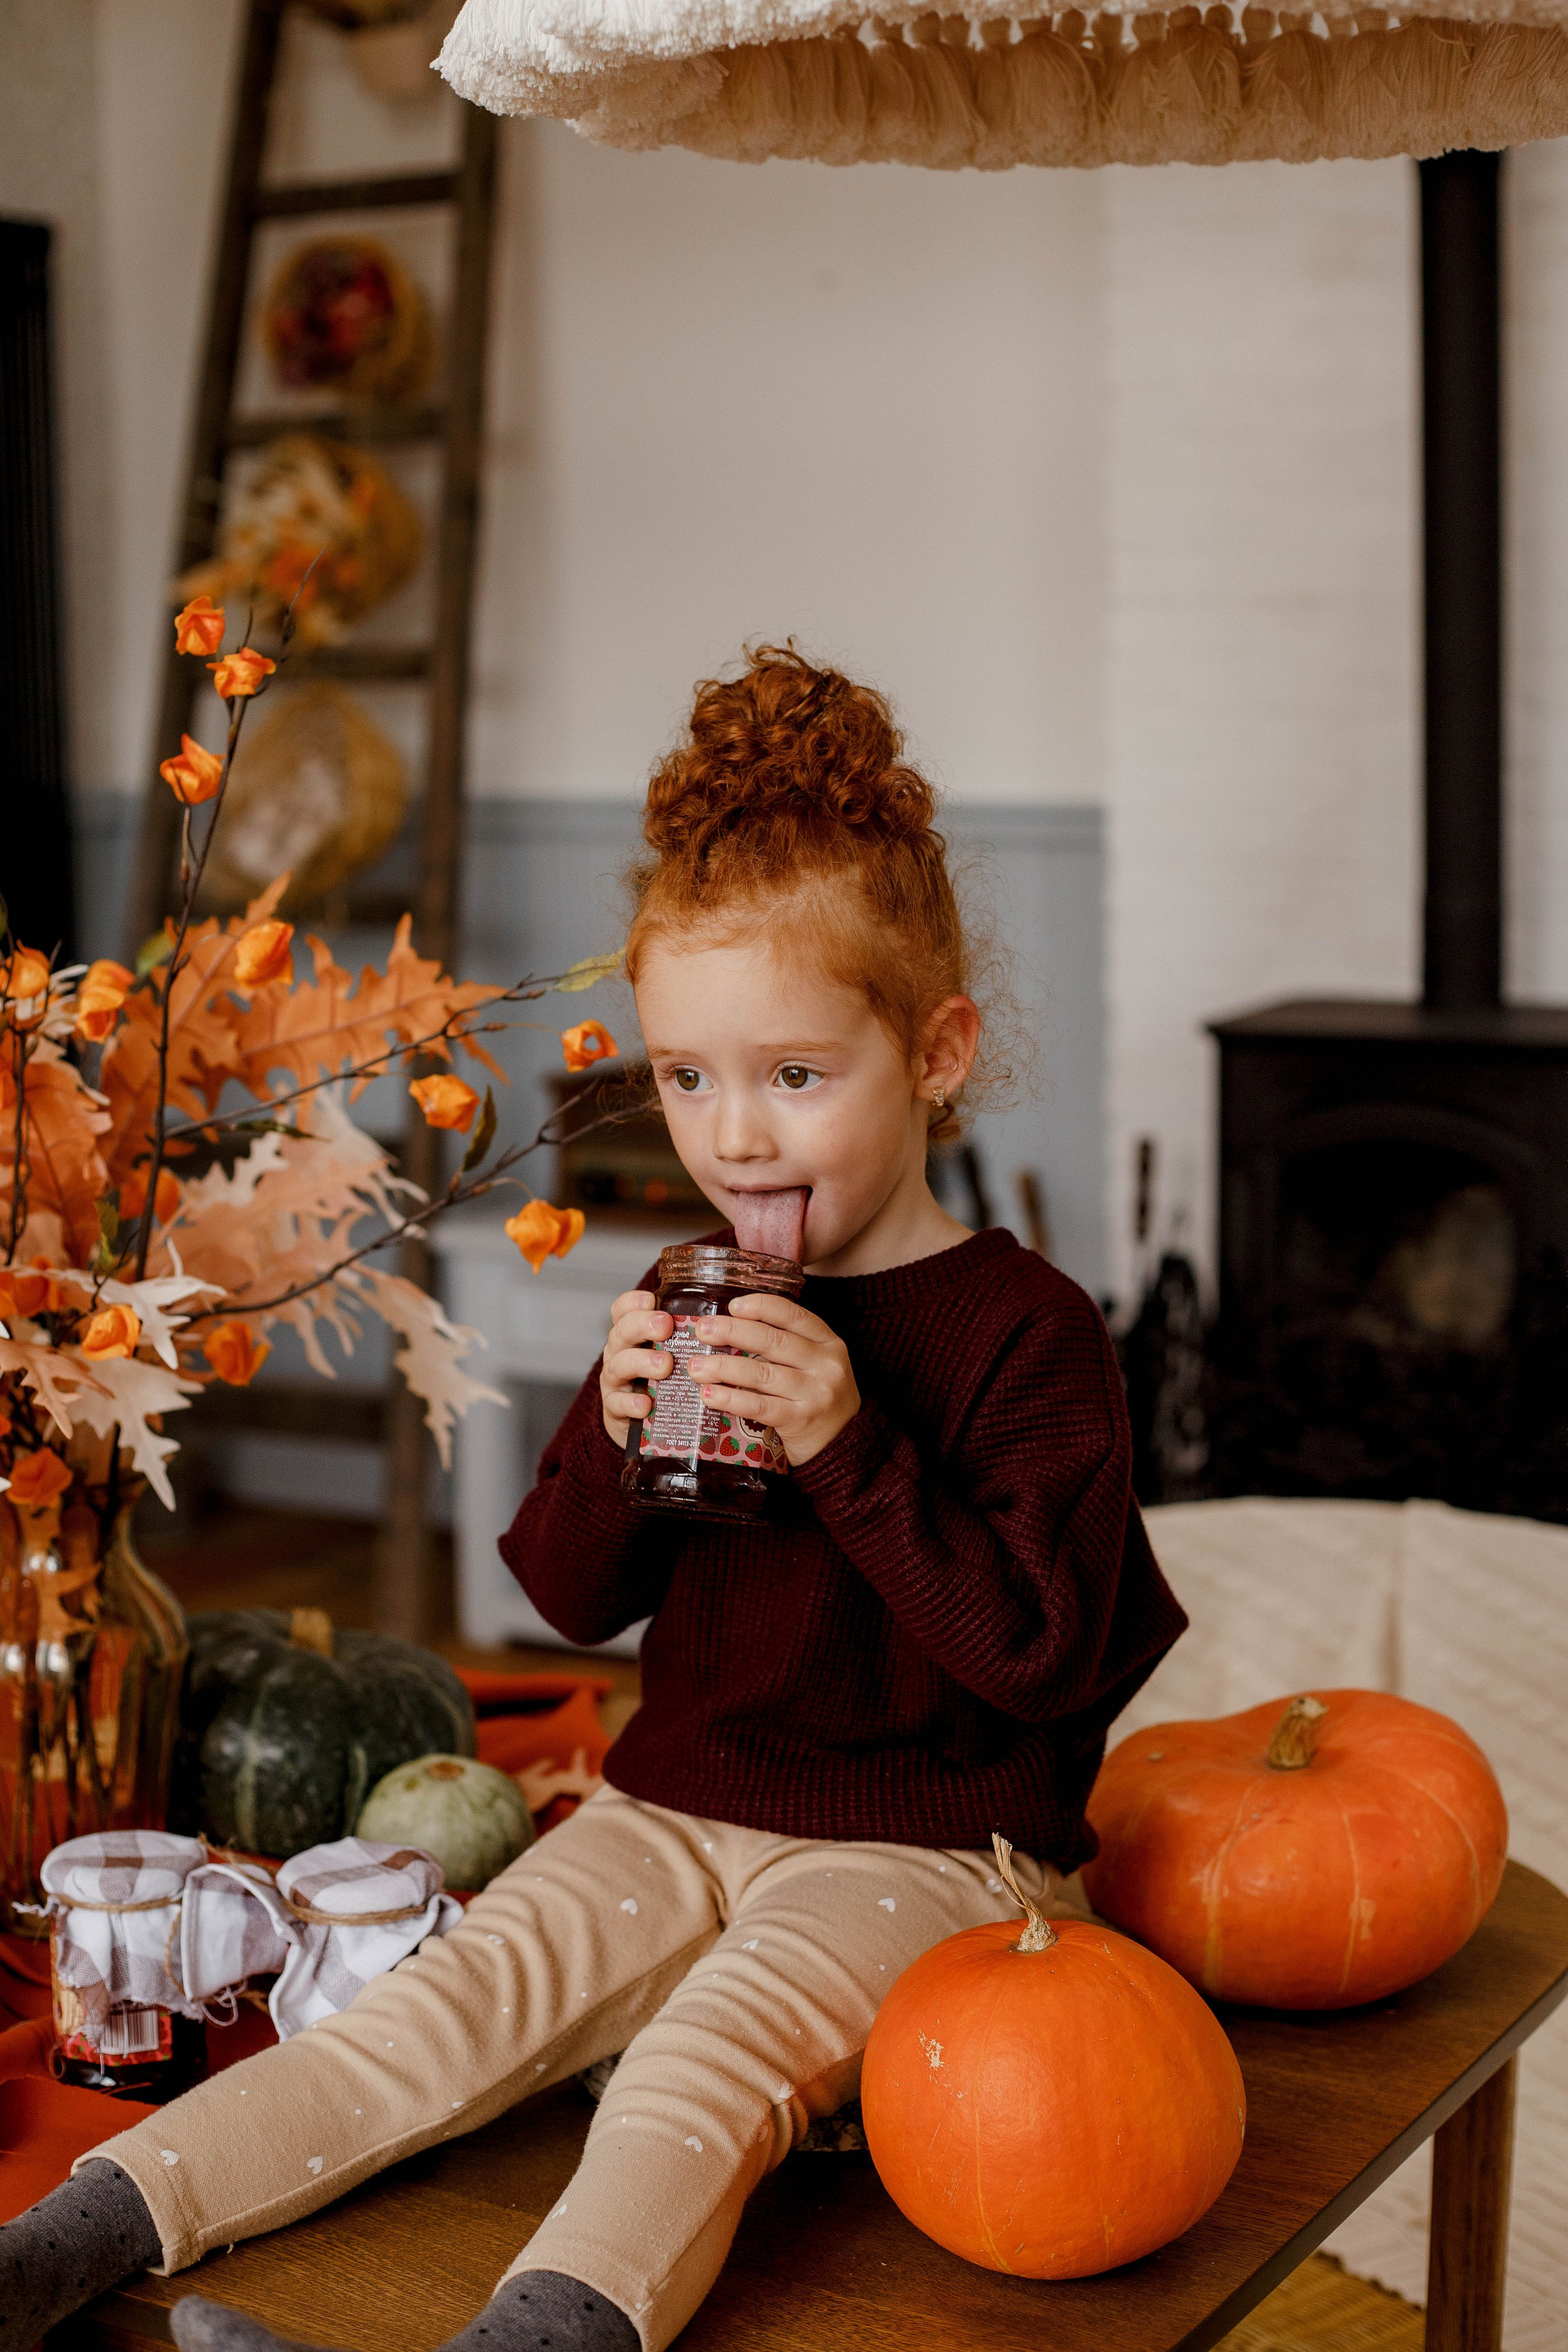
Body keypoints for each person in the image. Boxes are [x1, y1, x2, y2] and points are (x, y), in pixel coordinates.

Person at [2, 648, 1185, 2352]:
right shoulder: (702, 1289)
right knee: (440, 2008)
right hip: (674, 1807)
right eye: (689, 1081)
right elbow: (566, 1597)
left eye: (795, 1077)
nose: (738, 1142)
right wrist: (614, 1440)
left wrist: (853, 1449)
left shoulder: (1029, 1331)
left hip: (929, 1843)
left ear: (936, 1051)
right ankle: (64, 2246)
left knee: (700, 2071)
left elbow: (1039, 1660)